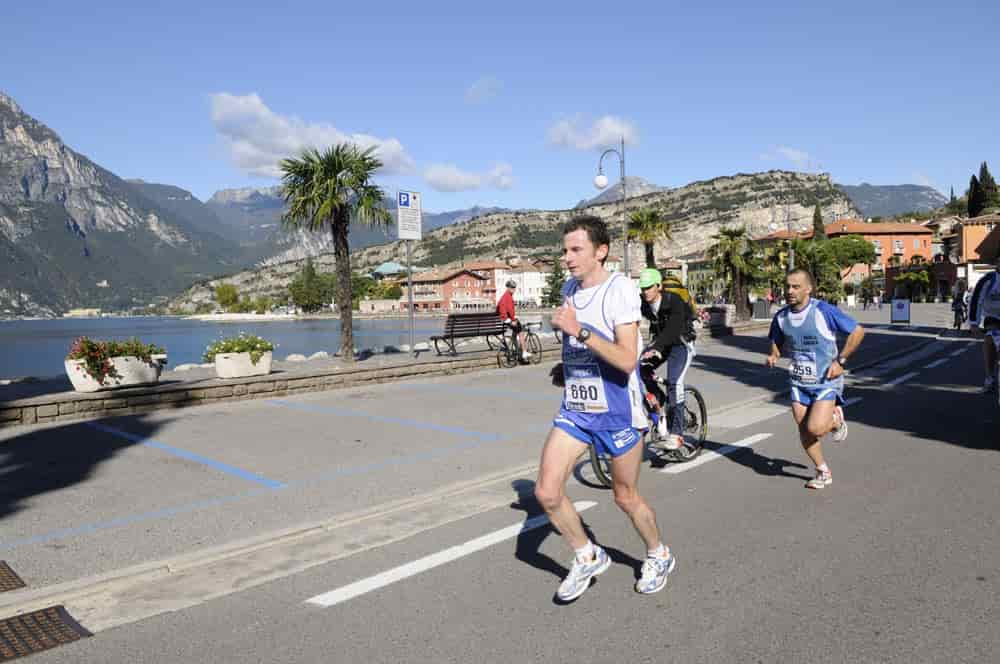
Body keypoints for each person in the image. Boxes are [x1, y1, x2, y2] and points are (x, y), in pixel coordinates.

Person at [538, 215, 675, 600]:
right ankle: (587, 555)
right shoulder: (569, 287)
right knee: (547, 493)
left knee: (625, 496)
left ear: (601, 252)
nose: (567, 257)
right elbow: (577, 345)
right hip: (577, 411)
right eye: (565, 250)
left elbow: (627, 359)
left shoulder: (620, 290)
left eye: (576, 249)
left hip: (619, 413)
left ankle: (658, 553)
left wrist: (579, 330)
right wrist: (566, 367)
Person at [765, 269, 866, 490]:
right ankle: (822, 471)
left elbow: (858, 331)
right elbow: (776, 340)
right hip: (799, 382)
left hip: (825, 380)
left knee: (817, 429)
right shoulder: (781, 316)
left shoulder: (823, 311)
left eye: (795, 286)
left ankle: (836, 419)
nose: (789, 291)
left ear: (808, 289)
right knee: (804, 430)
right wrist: (773, 354)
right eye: (787, 286)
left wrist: (841, 361)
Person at [637, 268, 698, 460]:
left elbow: (673, 329)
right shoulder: (643, 304)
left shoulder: (674, 301)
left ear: (659, 286)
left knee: (674, 382)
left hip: (681, 344)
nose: (645, 291)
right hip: (662, 345)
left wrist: (655, 346)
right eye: (643, 288)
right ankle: (660, 402)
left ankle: (677, 434)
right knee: (640, 370)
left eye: (649, 287)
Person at [968, 254, 1000, 393]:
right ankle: (989, 377)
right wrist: (974, 323)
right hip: (993, 317)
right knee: (989, 339)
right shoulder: (988, 279)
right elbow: (976, 300)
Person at [496, 279, 529, 362]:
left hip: (505, 319)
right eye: (512, 288)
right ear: (507, 288)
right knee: (521, 331)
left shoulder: (504, 296)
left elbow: (498, 307)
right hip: (508, 320)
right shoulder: (507, 297)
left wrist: (505, 317)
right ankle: (524, 352)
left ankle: (517, 350)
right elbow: (510, 309)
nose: (513, 289)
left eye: (514, 288)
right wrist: (513, 319)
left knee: (515, 333)